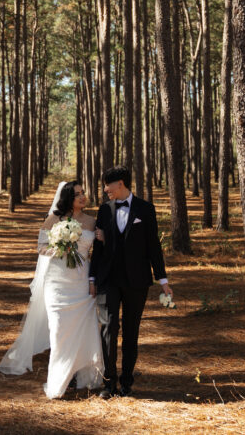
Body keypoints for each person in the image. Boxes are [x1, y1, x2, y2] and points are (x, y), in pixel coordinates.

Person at [0, 180, 104, 399]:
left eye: (83, 193)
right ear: (67, 198)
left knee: (82, 329)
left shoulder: (92, 222)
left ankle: (79, 376)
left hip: (81, 282)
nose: (82, 197)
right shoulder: (53, 219)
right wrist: (60, 246)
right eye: (77, 194)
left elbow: (100, 251)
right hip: (57, 282)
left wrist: (103, 239)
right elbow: (41, 248)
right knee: (58, 331)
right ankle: (59, 381)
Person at [89, 165, 172, 398]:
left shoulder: (146, 209)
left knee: (131, 331)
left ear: (121, 184)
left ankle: (126, 382)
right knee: (108, 329)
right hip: (108, 280)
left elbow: (153, 246)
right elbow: (98, 248)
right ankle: (108, 383)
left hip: (137, 280)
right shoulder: (104, 210)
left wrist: (162, 279)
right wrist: (92, 277)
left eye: (108, 184)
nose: (105, 189)